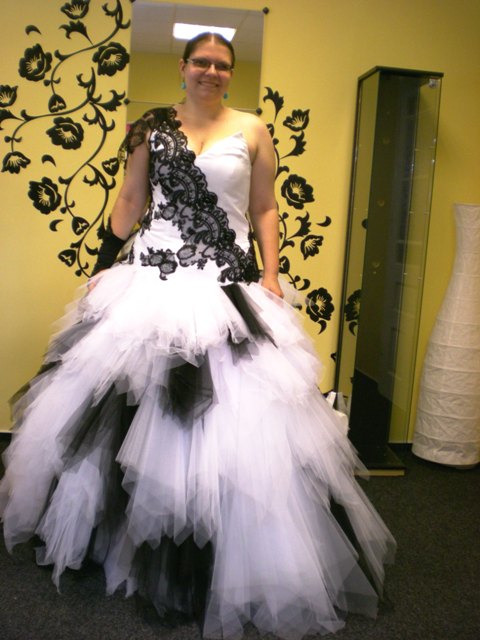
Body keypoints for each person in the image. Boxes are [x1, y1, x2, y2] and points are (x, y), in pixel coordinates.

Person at [0, 32, 395, 638]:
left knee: (237, 417)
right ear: (183, 67)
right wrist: (103, 262)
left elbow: (264, 207)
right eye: (202, 62)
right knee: (123, 407)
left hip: (225, 284)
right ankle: (115, 538)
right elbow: (130, 199)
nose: (211, 71)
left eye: (222, 65)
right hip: (152, 277)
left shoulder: (253, 129)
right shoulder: (151, 127)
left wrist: (270, 273)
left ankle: (226, 551)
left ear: (230, 73)